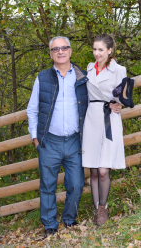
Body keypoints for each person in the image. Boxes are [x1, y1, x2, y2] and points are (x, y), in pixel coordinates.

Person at [27, 36, 122, 237]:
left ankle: (69, 219)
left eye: (64, 48)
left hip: (74, 140)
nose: (60, 51)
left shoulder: (82, 75)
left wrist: (117, 103)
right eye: (55, 49)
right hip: (49, 140)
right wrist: (36, 137)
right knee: (47, 185)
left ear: (70, 51)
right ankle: (50, 225)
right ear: (51, 53)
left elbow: (101, 93)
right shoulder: (42, 77)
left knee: (77, 183)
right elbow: (32, 109)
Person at [82, 34, 126, 226]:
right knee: (92, 170)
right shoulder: (89, 68)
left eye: (101, 49)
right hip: (91, 118)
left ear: (109, 50)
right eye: (94, 49)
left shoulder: (119, 70)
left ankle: (103, 207)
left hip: (109, 118)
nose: (97, 53)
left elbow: (124, 95)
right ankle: (96, 210)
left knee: (102, 171)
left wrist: (121, 105)